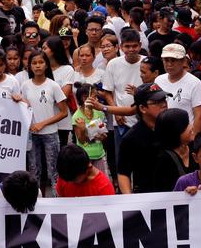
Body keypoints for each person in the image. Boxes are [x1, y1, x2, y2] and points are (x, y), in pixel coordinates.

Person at [21, 50, 67, 193]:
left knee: (53, 170)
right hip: (32, 134)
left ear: (46, 64)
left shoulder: (53, 85)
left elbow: (64, 112)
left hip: (50, 134)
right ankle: (36, 201)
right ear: (29, 66)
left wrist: (43, 123)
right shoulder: (25, 85)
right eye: (34, 63)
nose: (38, 66)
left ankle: (56, 201)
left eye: (41, 62)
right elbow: (24, 108)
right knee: (34, 170)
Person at [117, 83, 169, 193]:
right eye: (157, 102)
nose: (164, 104)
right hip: (146, 198)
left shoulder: (174, 128)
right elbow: (123, 173)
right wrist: (130, 200)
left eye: (164, 100)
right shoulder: (131, 138)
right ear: (142, 108)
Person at [103, 29, 144, 160]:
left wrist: (138, 93)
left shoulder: (147, 63)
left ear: (140, 45)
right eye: (127, 46)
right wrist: (116, 112)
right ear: (121, 47)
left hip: (143, 121)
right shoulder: (113, 64)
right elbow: (108, 92)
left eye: (134, 46)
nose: (131, 49)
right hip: (121, 122)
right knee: (122, 160)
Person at [155, 43, 201, 134]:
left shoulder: (195, 83)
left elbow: (199, 115)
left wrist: (194, 139)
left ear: (183, 61)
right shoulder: (159, 80)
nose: (169, 64)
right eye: (166, 60)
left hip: (185, 136)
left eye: (173, 60)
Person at [71, 83, 108, 175]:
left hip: (99, 154)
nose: (97, 99)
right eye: (95, 97)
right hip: (85, 157)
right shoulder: (77, 116)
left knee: (100, 182)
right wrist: (83, 130)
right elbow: (82, 141)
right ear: (84, 98)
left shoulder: (98, 113)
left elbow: (104, 135)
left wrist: (102, 136)